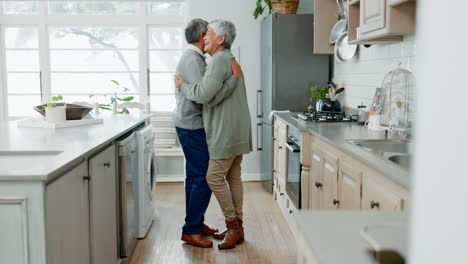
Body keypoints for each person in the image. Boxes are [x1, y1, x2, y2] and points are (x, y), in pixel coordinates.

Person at [175, 19, 252, 250]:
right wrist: (231, 82)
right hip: (218, 128)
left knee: (210, 178)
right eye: (205, 32)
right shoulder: (218, 59)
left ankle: (229, 226)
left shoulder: (217, 59)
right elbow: (206, 96)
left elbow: (204, 96)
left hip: (222, 130)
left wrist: (184, 87)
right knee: (215, 178)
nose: (206, 36)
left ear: (221, 38)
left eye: (210, 32)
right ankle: (205, 226)